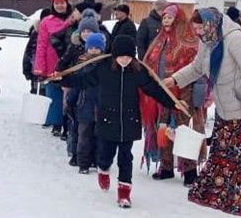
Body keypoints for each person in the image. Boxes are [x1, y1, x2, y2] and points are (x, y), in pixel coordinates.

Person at [163, 8, 241, 216]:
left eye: (199, 28)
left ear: (210, 24)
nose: (197, 32)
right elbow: (197, 68)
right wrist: (175, 79)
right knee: (224, 150)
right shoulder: (208, 41)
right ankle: (222, 190)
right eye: (195, 29)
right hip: (227, 106)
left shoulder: (237, 41)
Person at [50, 35, 183, 209]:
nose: (125, 60)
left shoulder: (138, 71)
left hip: (129, 120)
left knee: (126, 158)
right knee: (105, 154)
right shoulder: (103, 69)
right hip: (107, 119)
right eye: (121, 56)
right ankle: (103, 170)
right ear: (114, 55)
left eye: (128, 57)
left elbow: (154, 89)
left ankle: (124, 192)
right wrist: (62, 79)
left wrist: (173, 103)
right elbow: (82, 80)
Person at [140, 3, 203, 185]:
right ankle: (166, 167)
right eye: (164, 17)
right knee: (163, 127)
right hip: (162, 92)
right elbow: (149, 62)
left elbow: (198, 70)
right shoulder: (160, 39)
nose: (166, 20)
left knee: (183, 130)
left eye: (170, 17)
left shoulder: (190, 42)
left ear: (179, 19)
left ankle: (190, 171)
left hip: (184, 92)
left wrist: (199, 94)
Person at [57, 9, 102, 163]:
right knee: (75, 123)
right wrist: (61, 75)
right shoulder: (74, 47)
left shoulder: (100, 49)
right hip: (74, 87)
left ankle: (92, 156)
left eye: (90, 31)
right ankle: (75, 153)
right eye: (84, 31)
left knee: (89, 127)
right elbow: (63, 64)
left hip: (91, 92)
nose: (86, 34)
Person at [34, 0, 75, 135]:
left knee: (70, 96)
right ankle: (56, 123)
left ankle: (68, 125)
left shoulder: (74, 19)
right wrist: (40, 68)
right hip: (52, 64)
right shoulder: (47, 22)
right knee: (54, 96)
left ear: (67, 3)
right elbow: (41, 46)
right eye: (56, 3)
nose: (59, 6)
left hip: (71, 64)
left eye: (62, 3)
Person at [68, 32, 105, 174]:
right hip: (84, 106)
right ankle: (83, 162)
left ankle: (97, 161)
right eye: (91, 48)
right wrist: (70, 101)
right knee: (84, 137)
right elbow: (76, 85)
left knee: (99, 137)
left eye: (97, 47)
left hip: (101, 107)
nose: (94, 50)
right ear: (87, 48)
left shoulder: (106, 66)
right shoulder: (82, 65)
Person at [23, 9, 51, 95]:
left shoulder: (54, 34)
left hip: (49, 72)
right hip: (37, 71)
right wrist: (27, 70)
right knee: (38, 94)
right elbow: (28, 52)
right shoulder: (36, 34)